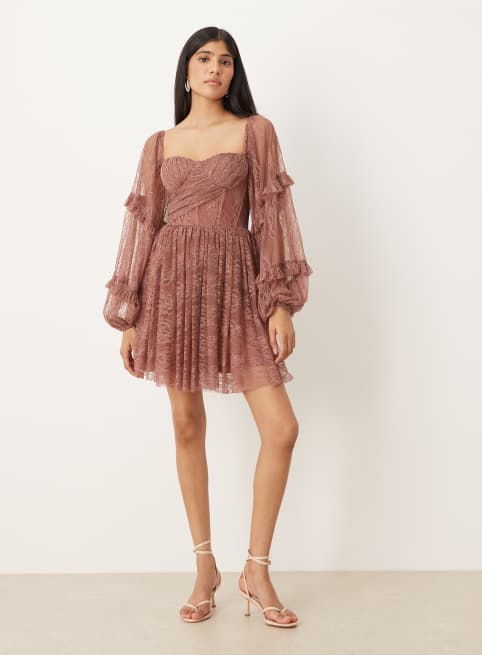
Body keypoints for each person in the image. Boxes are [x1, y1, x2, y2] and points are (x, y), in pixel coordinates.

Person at [102, 26, 313, 628]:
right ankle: (204, 568)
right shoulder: (159, 144)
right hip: (170, 288)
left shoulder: (255, 131)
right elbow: (144, 226)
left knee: (281, 428)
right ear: (187, 71)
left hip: (237, 286)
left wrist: (279, 303)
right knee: (186, 423)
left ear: (233, 72)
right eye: (204, 58)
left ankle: (257, 569)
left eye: (225, 60)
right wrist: (130, 314)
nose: (215, 68)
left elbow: (271, 214)